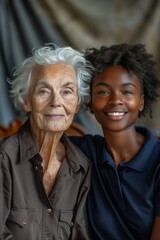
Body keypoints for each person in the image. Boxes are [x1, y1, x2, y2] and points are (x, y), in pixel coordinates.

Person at [0, 44, 93, 240]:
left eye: (67, 91)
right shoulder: (4, 159)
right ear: (26, 100)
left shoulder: (80, 167)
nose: (56, 102)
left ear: (76, 103)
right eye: (43, 91)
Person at [70, 43, 160, 240]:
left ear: (142, 101)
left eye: (127, 92)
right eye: (103, 92)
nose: (115, 100)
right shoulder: (82, 152)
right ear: (90, 102)